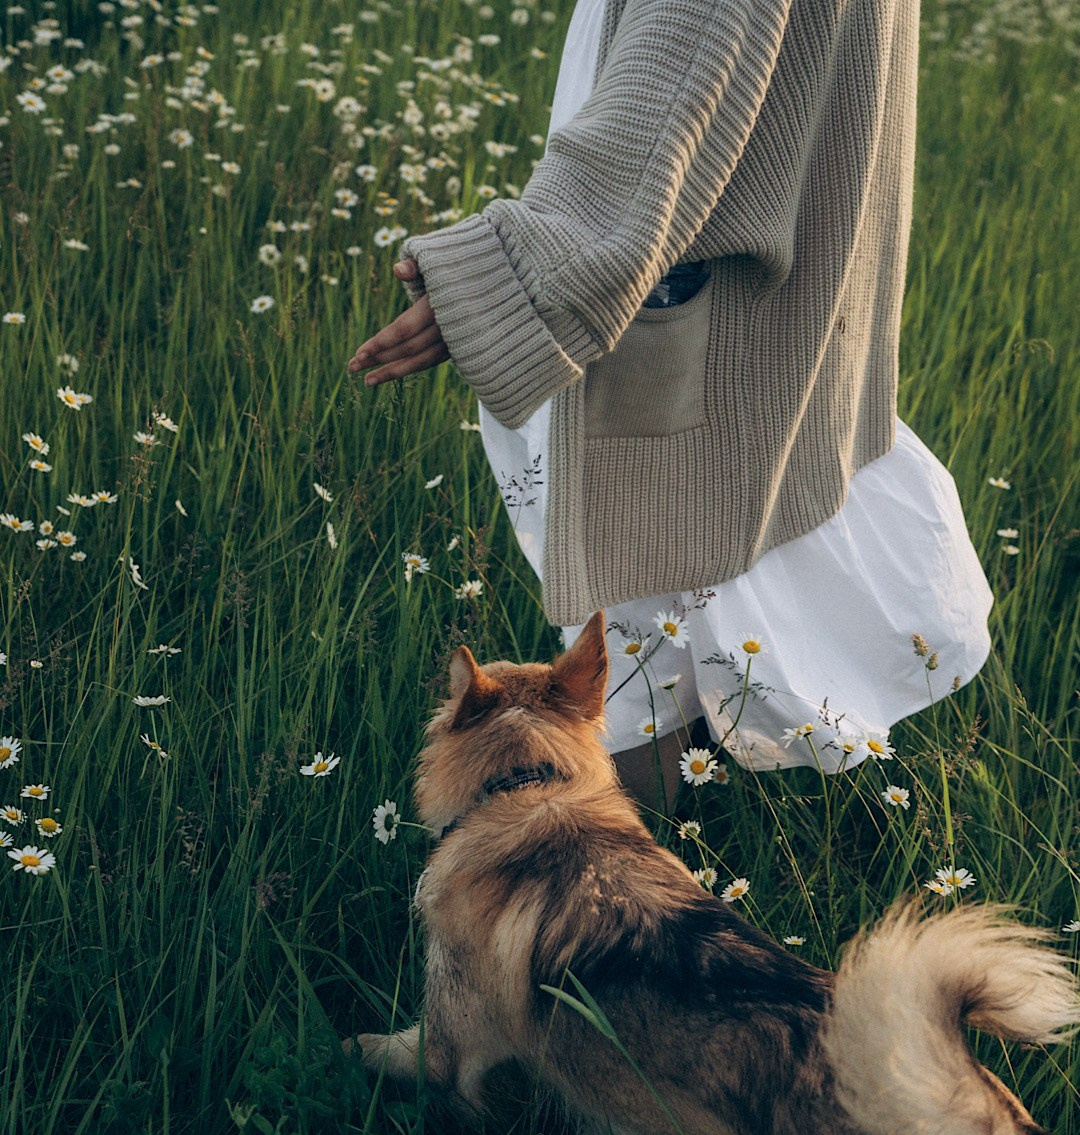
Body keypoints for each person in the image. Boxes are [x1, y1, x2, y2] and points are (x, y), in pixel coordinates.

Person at [348, 0, 992, 810]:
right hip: (769, 212)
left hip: (680, 248)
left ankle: (617, 858)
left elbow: (685, 64)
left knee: (643, 547)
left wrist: (508, 274)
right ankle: (675, 835)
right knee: (695, 544)